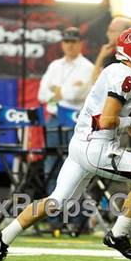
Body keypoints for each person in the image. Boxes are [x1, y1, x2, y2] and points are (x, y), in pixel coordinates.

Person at [0, 27, 131, 261]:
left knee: (56, 201)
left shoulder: (127, 74)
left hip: (81, 146)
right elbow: (107, 120)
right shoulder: (125, 76)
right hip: (97, 147)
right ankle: (118, 234)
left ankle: (2, 238)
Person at [38, 26, 94, 207]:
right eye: (67, 42)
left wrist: (57, 90)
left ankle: (74, 217)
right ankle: (53, 213)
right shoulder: (55, 65)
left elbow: (75, 96)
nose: (70, 46)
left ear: (80, 44)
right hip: (54, 119)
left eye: (73, 42)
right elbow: (41, 94)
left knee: (76, 169)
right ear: (62, 44)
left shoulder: (87, 67)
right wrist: (65, 91)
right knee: (51, 166)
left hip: (75, 122)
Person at [91, 16, 131, 82]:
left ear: (124, 33)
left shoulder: (130, 59)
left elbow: (98, 81)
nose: (107, 34)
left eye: (111, 31)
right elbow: (95, 81)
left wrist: (101, 57)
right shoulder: (112, 58)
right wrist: (101, 57)